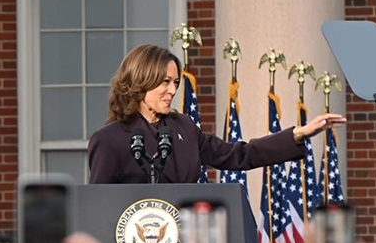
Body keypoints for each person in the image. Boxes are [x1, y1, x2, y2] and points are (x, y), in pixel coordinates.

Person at [88, 44, 347, 184]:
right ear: (141, 81)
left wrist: (298, 134)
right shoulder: (110, 140)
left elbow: (239, 155)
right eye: (165, 82)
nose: (172, 90)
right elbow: (98, 208)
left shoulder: (184, 128)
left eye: (176, 83)